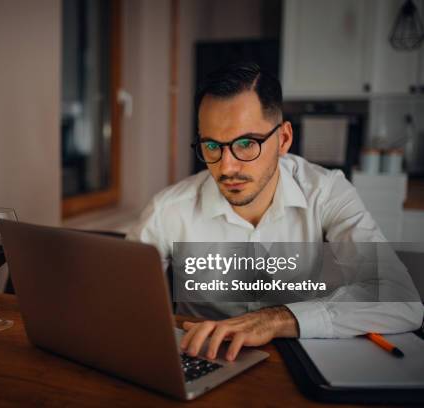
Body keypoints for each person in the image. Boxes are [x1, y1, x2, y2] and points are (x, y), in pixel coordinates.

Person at [127, 62, 423, 362]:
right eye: (212, 146)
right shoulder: (168, 209)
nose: (227, 167)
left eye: (246, 143)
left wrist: (276, 319)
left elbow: (403, 299)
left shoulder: (327, 192)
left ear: (283, 139)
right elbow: (116, 300)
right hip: (206, 362)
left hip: (307, 363)